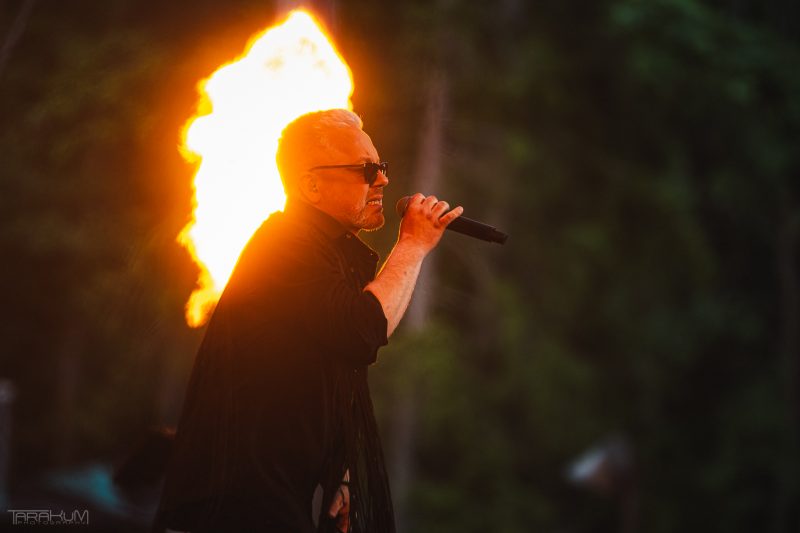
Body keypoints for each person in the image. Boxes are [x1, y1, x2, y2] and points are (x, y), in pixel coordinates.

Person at [153, 109, 462, 533]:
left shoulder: (329, 256)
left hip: (269, 502)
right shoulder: (285, 245)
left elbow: (325, 373)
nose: (384, 180)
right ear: (311, 185)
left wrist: (341, 471)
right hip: (231, 507)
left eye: (382, 167)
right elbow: (364, 332)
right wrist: (411, 244)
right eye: (367, 169)